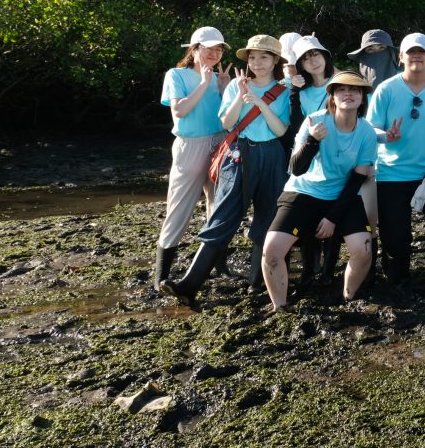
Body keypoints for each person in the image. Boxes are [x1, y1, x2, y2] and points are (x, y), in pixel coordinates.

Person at [162, 35, 290, 306]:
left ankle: (258, 283)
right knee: (223, 214)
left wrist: (259, 102)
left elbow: (280, 130)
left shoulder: (283, 90)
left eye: (264, 57)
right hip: (238, 153)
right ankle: (189, 283)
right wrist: (242, 97)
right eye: (253, 57)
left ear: (276, 60)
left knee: (268, 216)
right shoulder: (235, 85)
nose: (257, 62)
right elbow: (227, 122)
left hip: (271, 155)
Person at [261, 71, 378, 312]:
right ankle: (280, 306)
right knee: (272, 250)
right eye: (341, 89)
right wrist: (312, 142)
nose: (348, 93)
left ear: (363, 97)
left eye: (355, 89)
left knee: (363, 249)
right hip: (303, 192)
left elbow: (358, 178)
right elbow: (295, 168)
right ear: (333, 96)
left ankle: (348, 297)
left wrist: (332, 217)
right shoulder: (315, 120)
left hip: (342, 194)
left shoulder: (366, 131)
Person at [367, 33, 425, 298]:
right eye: (410, 52)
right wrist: (386, 136)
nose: (416, 56)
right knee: (396, 235)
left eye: (422, 52)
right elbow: (370, 127)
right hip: (391, 173)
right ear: (400, 57)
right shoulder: (386, 89)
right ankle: (399, 280)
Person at [153, 27, 231, 291]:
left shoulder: (221, 78)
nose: (213, 53)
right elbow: (180, 109)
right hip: (191, 144)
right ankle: (161, 276)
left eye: (218, 49)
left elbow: (227, 115)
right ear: (195, 49)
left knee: (218, 204)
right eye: (207, 48)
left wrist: (223, 87)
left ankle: (218, 265)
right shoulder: (177, 75)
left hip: (220, 142)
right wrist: (204, 84)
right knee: (180, 206)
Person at [286, 35, 339, 289]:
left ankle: (328, 270)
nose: (313, 61)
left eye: (316, 55)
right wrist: (294, 91)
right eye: (306, 59)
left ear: (325, 56)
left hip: (338, 155)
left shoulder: (341, 83)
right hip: (310, 157)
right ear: (301, 65)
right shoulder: (302, 91)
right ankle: (309, 270)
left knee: (333, 212)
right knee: (309, 214)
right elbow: (296, 126)